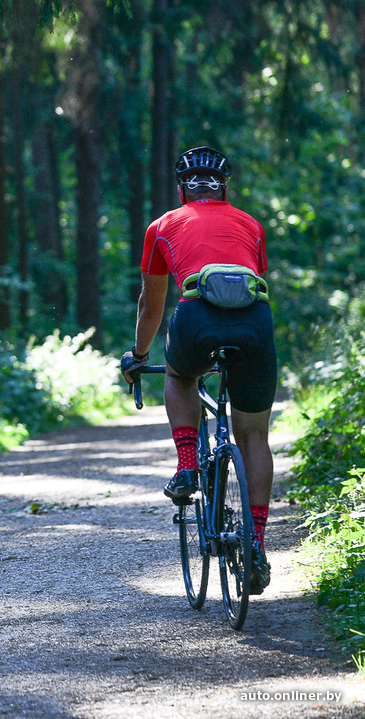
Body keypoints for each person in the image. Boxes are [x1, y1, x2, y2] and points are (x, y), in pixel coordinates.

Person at [120, 146, 276, 595]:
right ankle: (257, 545)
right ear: (225, 187)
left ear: (181, 190)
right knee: (253, 436)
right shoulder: (251, 224)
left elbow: (153, 305)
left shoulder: (163, 226)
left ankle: (187, 466)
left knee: (180, 375)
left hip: (195, 318)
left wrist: (138, 354)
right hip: (255, 323)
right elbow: (250, 281)